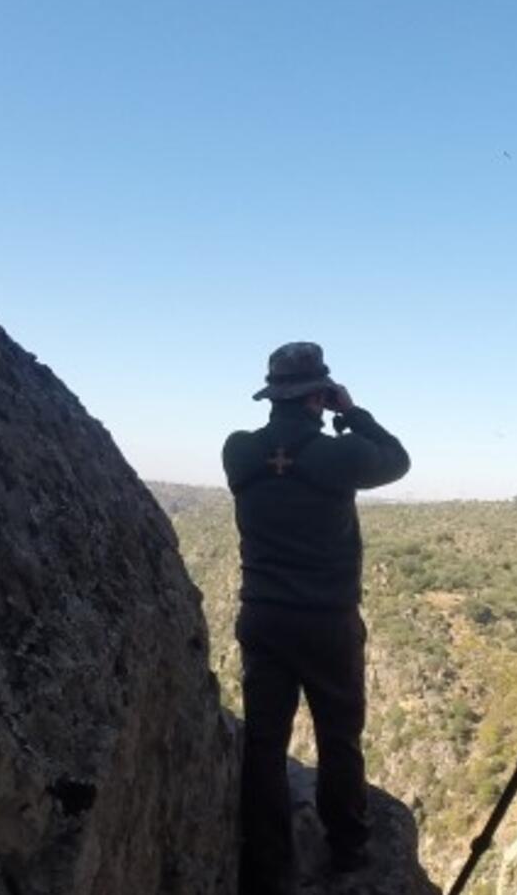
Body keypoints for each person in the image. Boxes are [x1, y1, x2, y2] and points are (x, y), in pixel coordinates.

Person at [224, 341, 412, 894]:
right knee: (339, 737)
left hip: (262, 617)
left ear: (271, 394)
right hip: (327, 622)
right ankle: (348, 849)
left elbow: (277, 457)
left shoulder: (237, 451)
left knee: (263, 742)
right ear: (318, 396)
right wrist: (350, 413)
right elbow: (397, 458)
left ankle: (267, 865)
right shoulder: (340, 456)